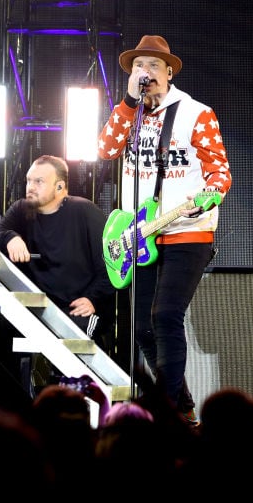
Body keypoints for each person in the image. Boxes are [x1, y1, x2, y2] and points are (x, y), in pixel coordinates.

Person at [97, 34, 232, 426]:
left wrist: (212, 194)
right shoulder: (130, 114)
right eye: (139, 66)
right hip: (140, 234)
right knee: (141, 327)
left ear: (169, 72)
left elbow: (220, 172)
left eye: (154, 65)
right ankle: (184, 403)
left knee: (167, 315)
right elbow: (104, 149)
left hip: (186, 229)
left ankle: (168, 413)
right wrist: (126, 104)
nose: (145, 72)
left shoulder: (195, 113)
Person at [0, 155, 116, 352]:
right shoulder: (21, 209)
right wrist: (10, 237)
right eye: (29, 180)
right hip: (39, 306)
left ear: (59, 187)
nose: (30, 187)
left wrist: (93, 299)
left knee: (74, 340)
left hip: (79, 306)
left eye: (39, 181)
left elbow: (113, 264)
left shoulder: (85, 211)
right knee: (3, 330)